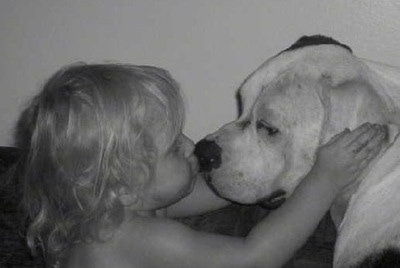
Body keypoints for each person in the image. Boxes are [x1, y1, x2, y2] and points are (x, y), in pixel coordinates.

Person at [17, 63, 387, 268]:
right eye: (174, 148)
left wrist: (258, 171)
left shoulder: (112, 210)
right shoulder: (136, 238)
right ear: (124, 182)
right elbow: (255, 259)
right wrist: (322, 182)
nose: (191, 145)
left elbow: (213, 191)